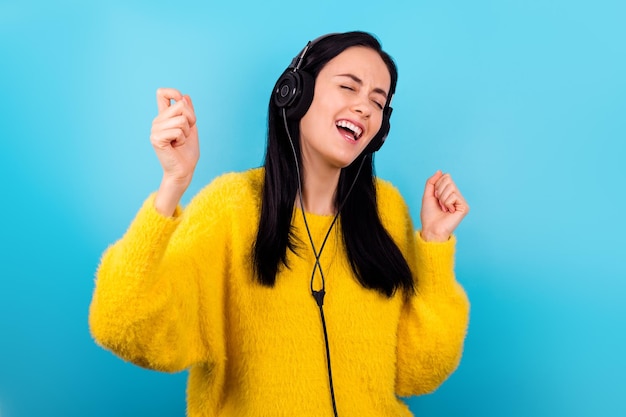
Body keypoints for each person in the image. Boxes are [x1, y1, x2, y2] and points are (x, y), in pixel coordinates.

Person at [89, 31, 470, 417]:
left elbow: (419, 372)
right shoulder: (231, 208)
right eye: (348, 88)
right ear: (295, 93)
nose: (365, 109)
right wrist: (173, 185)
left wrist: (435, 242)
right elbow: (122, 324)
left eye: (377, 101)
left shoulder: (386, 211)